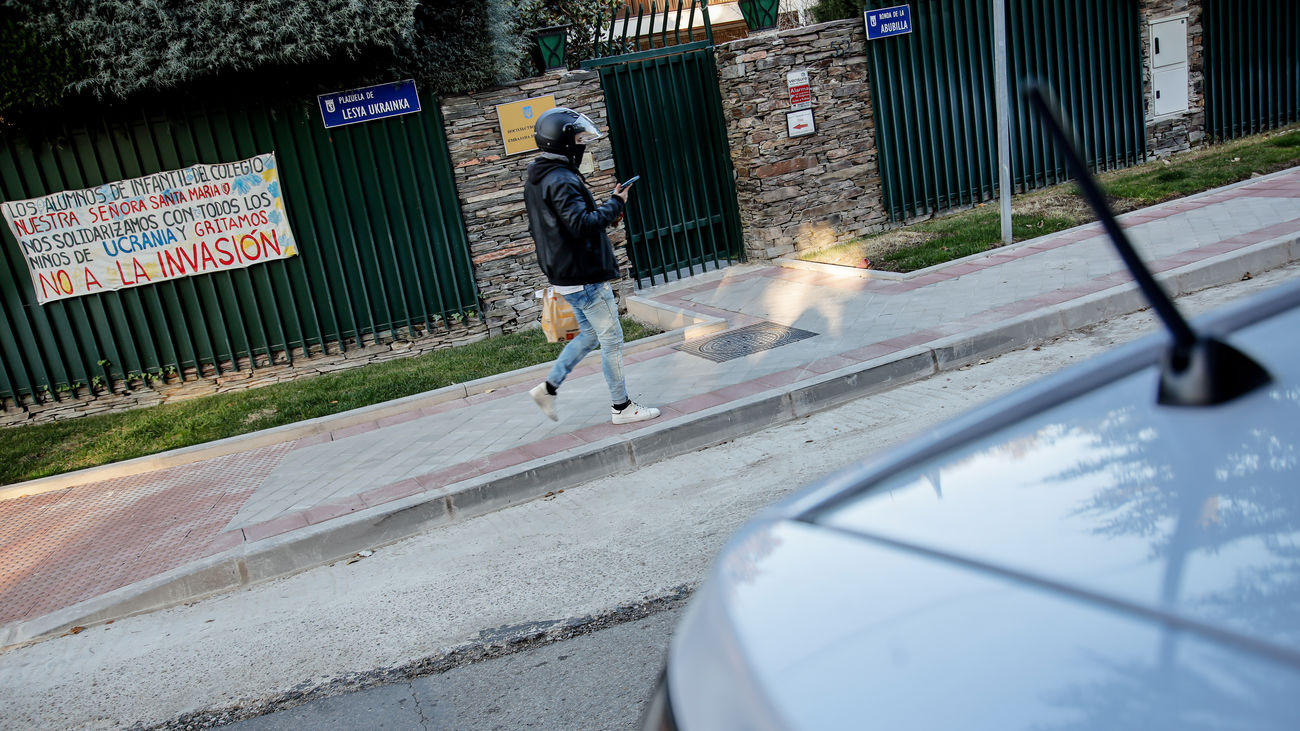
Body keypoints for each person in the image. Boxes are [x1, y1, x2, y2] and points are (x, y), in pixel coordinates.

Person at [524, 106, 660, 425]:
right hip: (583, 274)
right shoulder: (560, 178)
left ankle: (548, 388)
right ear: (563, 141)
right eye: (579, 137)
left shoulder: (540, 175)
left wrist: (608, 205)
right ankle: (622, 407)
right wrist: (617, 203)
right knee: (612, 339)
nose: (583, 143)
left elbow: (559, 224)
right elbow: (581, 225)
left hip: (564, 273)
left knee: (588, 335)